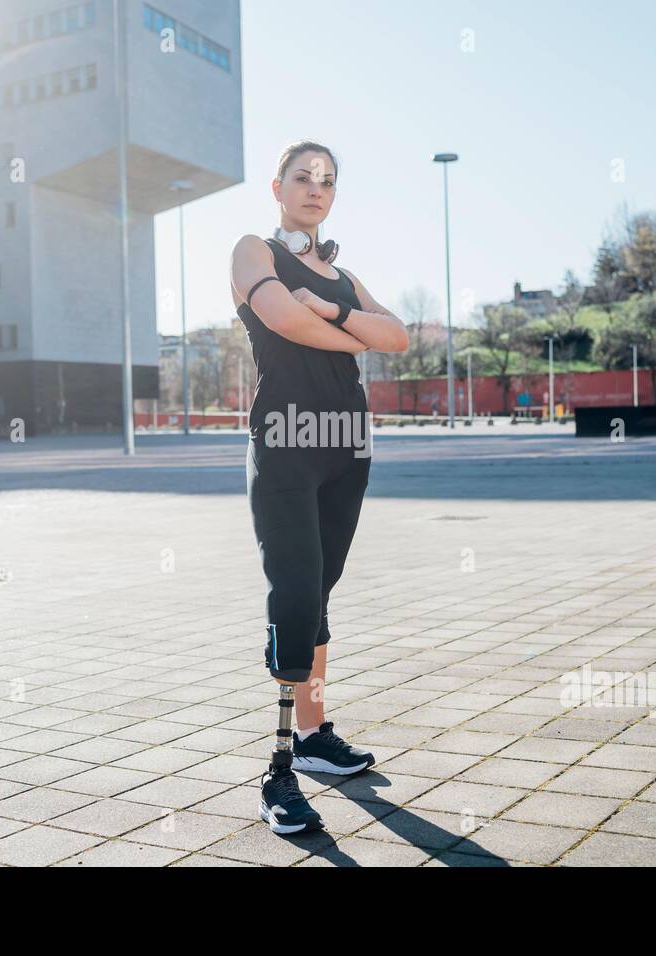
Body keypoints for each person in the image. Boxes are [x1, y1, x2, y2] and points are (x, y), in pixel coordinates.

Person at [229, 141, 409, 835]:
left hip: (346, 450)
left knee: (322, 590)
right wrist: (348, 330)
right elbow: (280, 317)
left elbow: (394, 337)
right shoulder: (254, 251)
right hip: (284, 445)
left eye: (327, 180)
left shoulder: (340, 274)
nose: (315, 188)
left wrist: (334, 315)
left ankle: (313, 738)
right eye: (302, 177)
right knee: (296, 592)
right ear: (278, 187)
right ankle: (278, 768)